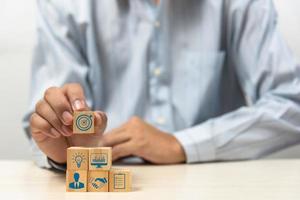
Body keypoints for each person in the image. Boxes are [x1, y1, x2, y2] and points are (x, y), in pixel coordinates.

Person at [23, 0, 300, 170]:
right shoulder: (62, 4)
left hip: (214, 185)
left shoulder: (242, 3)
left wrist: (182, 144)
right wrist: (62, 154)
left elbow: (292, 104)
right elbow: (45, 120)